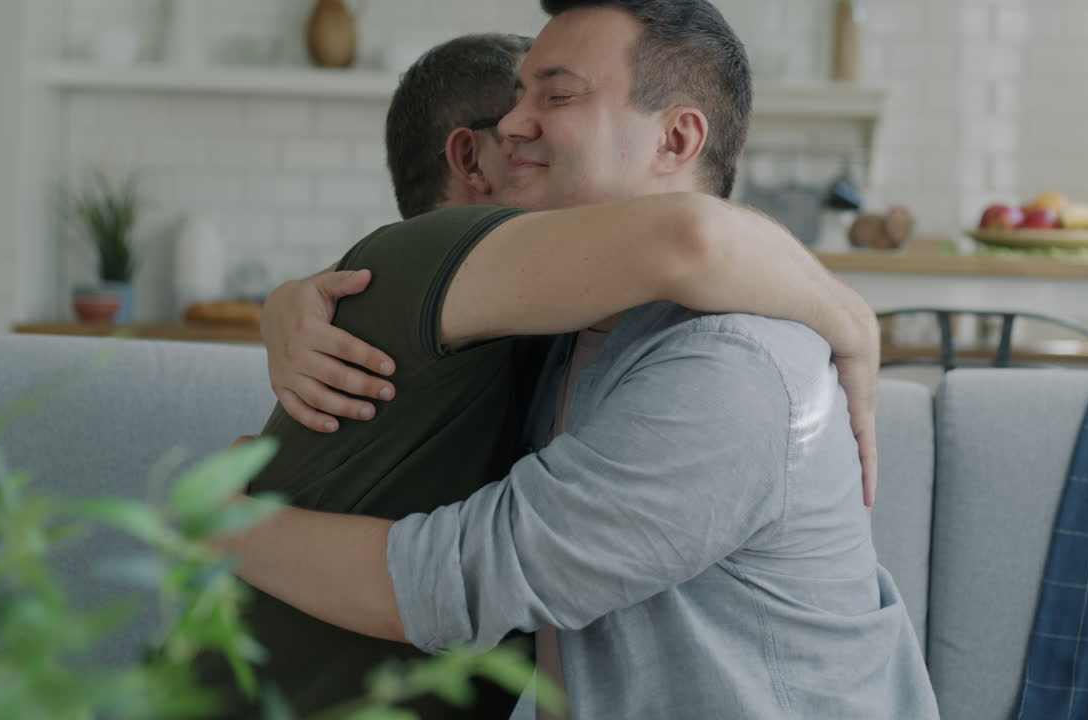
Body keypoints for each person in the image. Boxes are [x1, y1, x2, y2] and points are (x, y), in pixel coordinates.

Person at [206, 25, 887, 720]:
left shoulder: (724, 366)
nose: (517, 125)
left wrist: (219, 522)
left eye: (556, 95)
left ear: (677, 141)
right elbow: (687, 240)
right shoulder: (527, 324)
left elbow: (691, 238)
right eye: (515, 101)